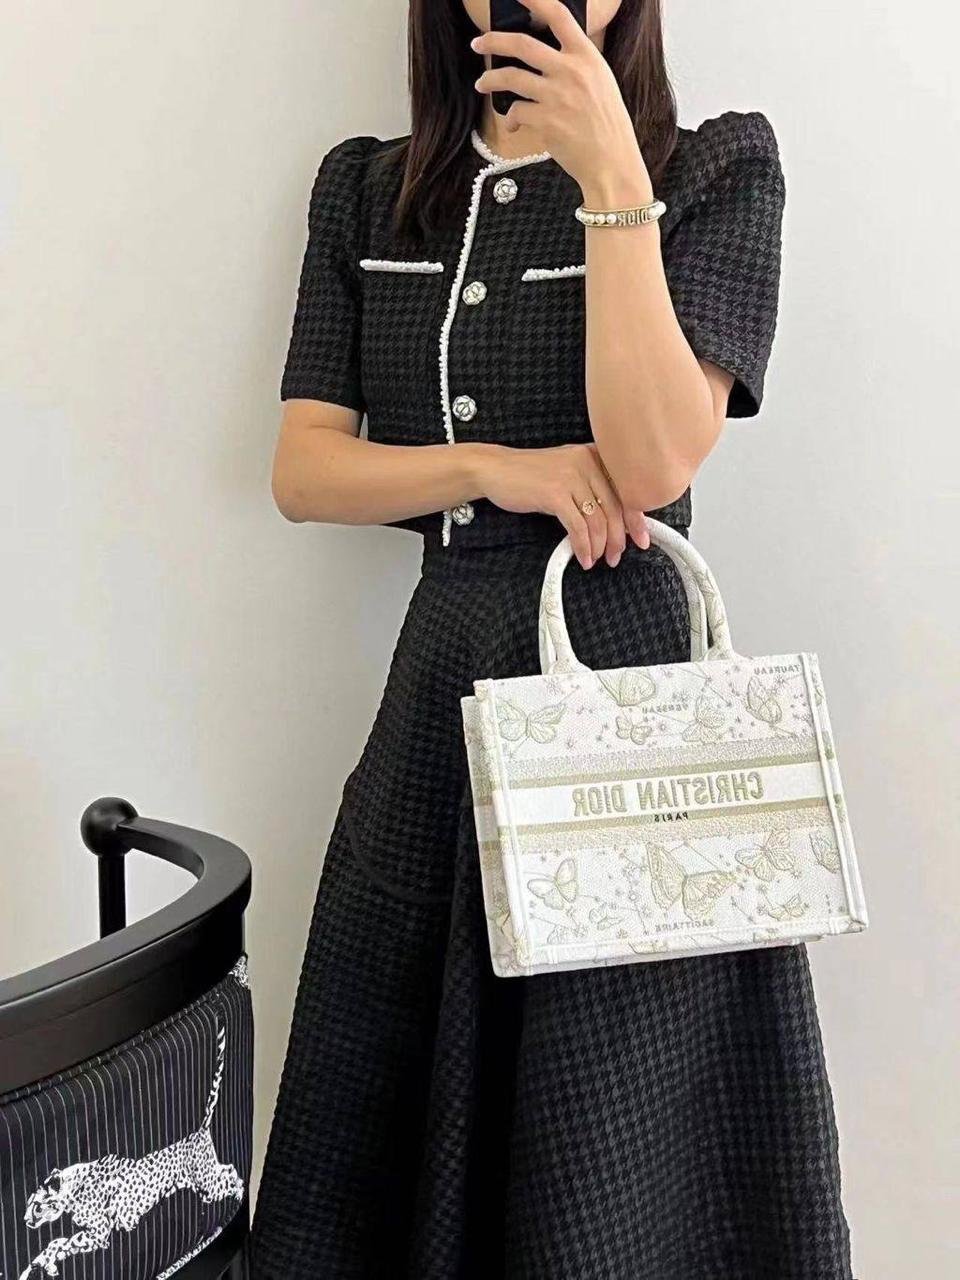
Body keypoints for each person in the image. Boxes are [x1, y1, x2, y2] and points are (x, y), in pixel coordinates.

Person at [249, 1, 855, 1275]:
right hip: (439, 713)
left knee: (611, 1164)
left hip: (636, 723)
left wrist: (613, 177)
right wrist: (492, 465)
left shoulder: (718, 168)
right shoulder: (367, 191)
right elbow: (304, 468)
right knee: (381, 1134)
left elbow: (655, 460)